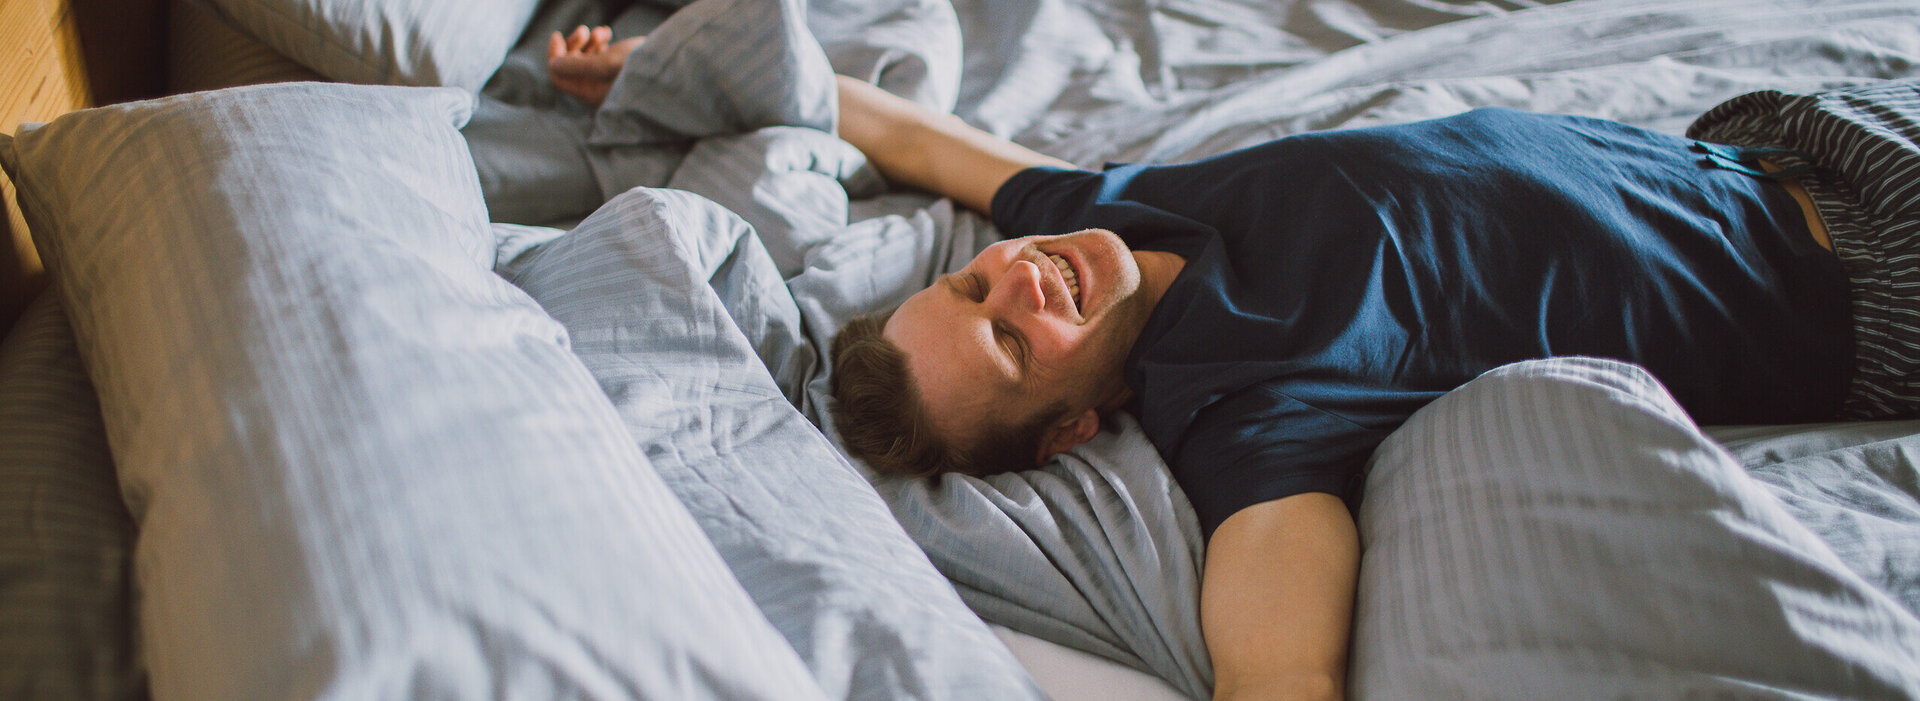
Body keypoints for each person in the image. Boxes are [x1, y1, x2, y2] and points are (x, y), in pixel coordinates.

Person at [550, 30, 1920, 700]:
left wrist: (650, 73)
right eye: (1016, 341)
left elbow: (913, 138)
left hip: (1786, 140)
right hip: (1875, 281)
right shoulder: (1247, 416)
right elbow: (1279, 677)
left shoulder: (1094, 215)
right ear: (1073, 428)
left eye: (973, 287)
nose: (1020, 286)